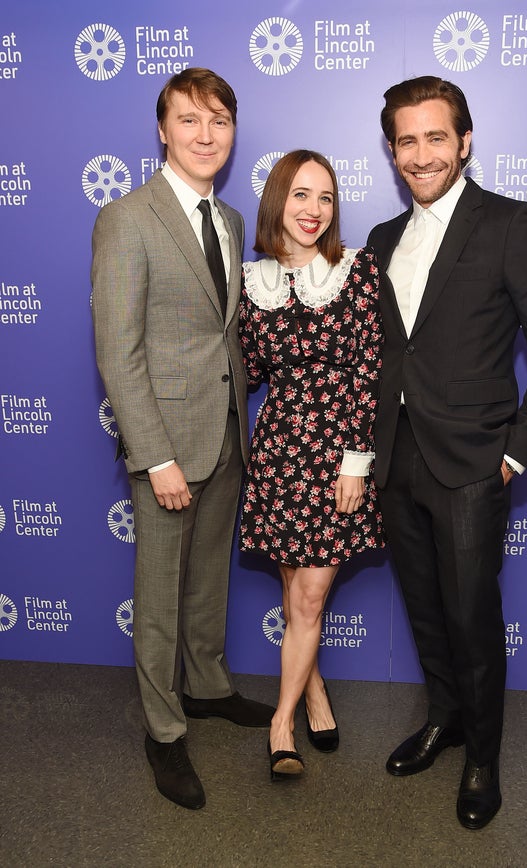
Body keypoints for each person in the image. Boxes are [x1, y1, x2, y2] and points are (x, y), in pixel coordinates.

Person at [367, 76, 527, 829]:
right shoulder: (381, 241)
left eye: (435, 137)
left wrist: (516, 455)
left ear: (464, 141)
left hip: (472, 464)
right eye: (406, 141)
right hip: (396, 460)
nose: (420, 154)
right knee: (426, 612)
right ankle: (444, 720)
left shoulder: (513, 224)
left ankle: (483, 756)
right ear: (392, 152)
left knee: (471, 617)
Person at [91, 67, 274, 811]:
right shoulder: (126, 217)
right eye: (190, 120)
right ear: (162, 130)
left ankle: (205, 688)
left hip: (228, 434)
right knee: (160, 596)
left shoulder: (229, 220)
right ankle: (164, 732)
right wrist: (155, 454)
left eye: (220, 121)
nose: (206, 135)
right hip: (167, 443)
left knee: (208, 581)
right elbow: (118, 349)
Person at [239, 150, 384, 779]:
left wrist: (356, 460)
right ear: (278, 202)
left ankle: (280, 722)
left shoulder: (357, 272)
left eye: (325, 198)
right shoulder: (252, 282)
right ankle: (315, 690)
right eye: (301, 195)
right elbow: (247, 371)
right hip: (277, 450)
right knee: (295, 586)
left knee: (312, 592)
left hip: (337, 450)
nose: (313, 210)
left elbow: (370, 370)